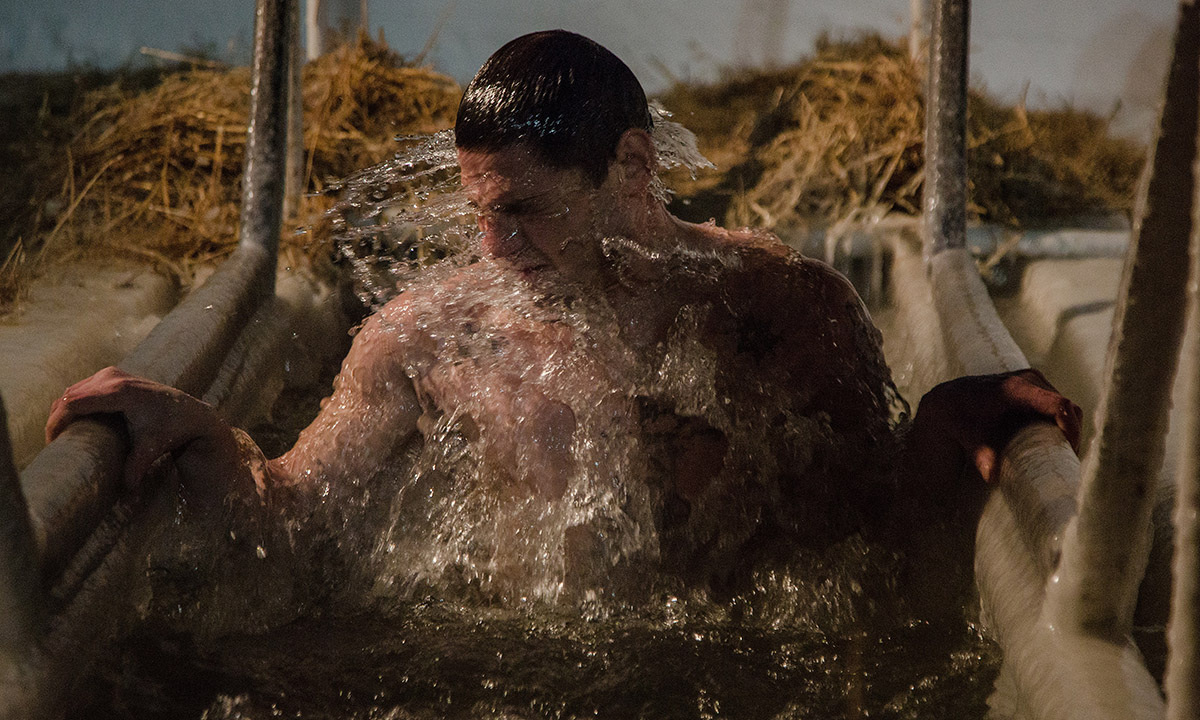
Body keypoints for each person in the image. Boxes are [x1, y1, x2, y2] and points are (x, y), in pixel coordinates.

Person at [45, 31, 1080, 597]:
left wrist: (951, 420)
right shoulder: (429, 335)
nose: (492, 249)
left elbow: (879, 545)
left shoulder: (777, 306)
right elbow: (291, 527)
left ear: (631, 167)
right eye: (478, 213)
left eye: (525, 211)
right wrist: (199, 435)